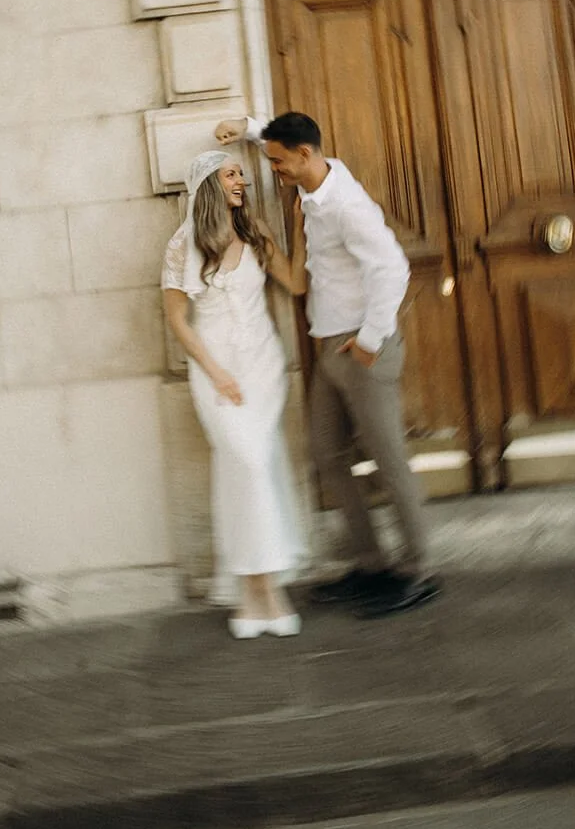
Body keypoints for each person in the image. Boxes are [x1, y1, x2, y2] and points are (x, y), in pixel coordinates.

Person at [215, 113, 440, 619]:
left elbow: (392, 267)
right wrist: (251, 128)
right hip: (328, 347)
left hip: (362, 349)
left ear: (305, 156)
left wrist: (370, 339)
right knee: (326, 455)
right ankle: (371, 563)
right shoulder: (315, 182)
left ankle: (419, 571)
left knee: (389, 460)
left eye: (278, 161)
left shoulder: (346, 205)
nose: (274, 170)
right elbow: (287, 134)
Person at [162, 151, 308, 639]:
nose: (240, 181)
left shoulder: (257, 234)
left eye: (240, 174)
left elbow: (297, 282)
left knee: (255, 468)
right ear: (207, 183)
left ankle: (259, 592)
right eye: (231, 174)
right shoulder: (183, 246)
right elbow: (178, 321)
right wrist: (215, 371)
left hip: (263, 367)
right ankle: (263, 591)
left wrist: (299, 223)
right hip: (216, 370)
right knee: (245, 463)